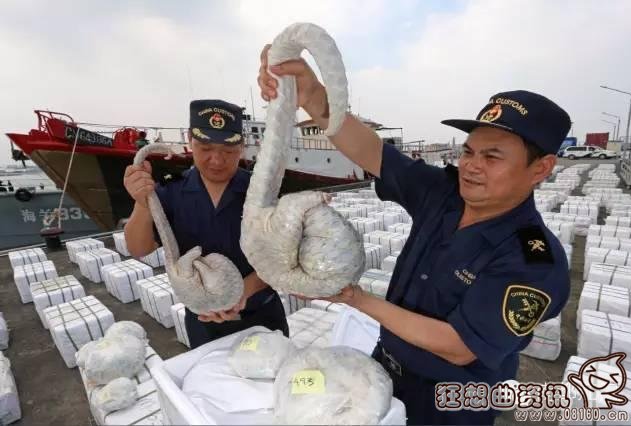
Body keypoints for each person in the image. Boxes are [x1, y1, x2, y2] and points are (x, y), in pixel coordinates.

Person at [258, 48, 571, 425]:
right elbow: (373, 152)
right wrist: (313, 98)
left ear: (541, 168)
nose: (471, 166)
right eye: (469, 152)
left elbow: (458, 346)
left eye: (492, 157)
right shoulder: (443, 192)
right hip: (385, 372)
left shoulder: (535, 262)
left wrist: (354, 298)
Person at [123, 99, 289, 348]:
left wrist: (243, 291)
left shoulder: (261, 192)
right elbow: (139, 249)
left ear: (242, 147)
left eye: (228, 151)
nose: (217, 160)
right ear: (190, 141)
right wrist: (142, 202)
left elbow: (282, 257)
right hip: (203, 323)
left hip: (261, 315)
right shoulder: (170, 191)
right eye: (205, 148)